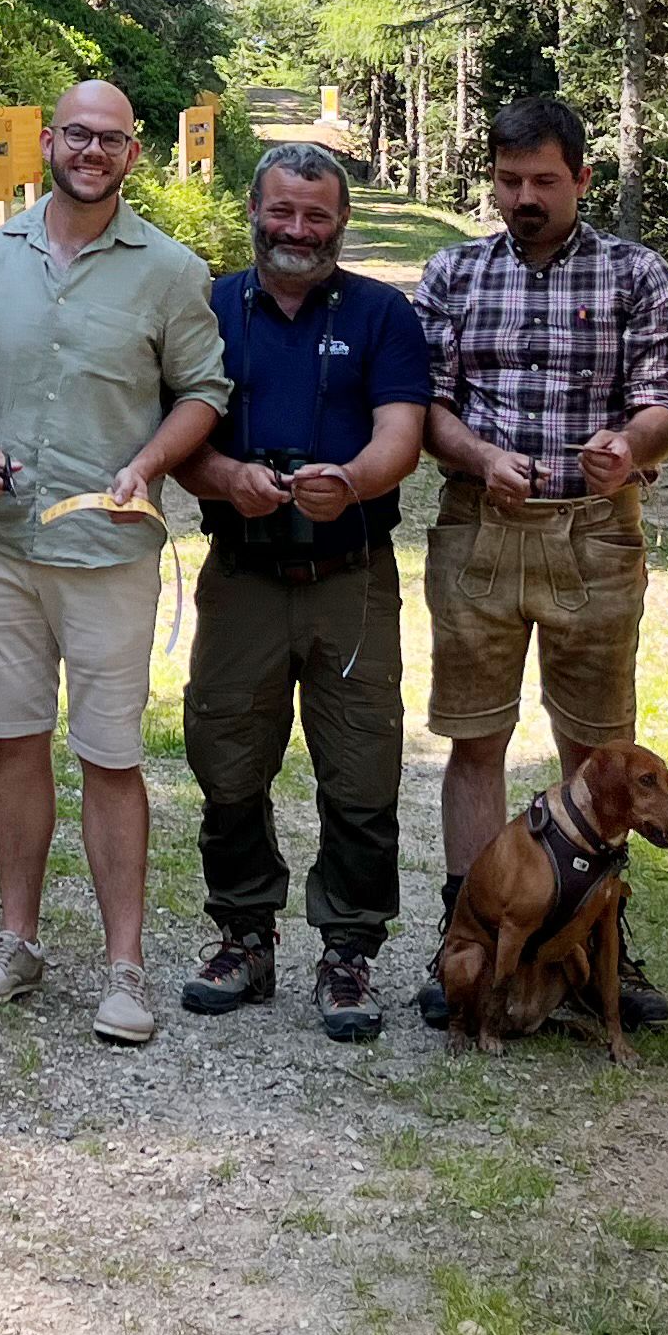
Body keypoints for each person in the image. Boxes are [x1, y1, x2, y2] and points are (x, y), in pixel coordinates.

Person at [0, 79, 231, 1046]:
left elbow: (202, 392)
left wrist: (148, 464)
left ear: (133, 154)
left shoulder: (172, 271)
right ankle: (17, 942)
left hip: (109, 549)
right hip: (2, 544)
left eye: (110, 139)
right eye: (76, 134)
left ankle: (125, 968)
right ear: (50, 141)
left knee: (110, 754)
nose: (91, 151)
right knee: (13, 740)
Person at [411, 93, 668, 1030]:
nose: (522, 197)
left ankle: (597, 937)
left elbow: (663, 404)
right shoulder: (453, 272)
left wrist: (629, 445)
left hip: (594, 533)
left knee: (599, 751)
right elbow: (428, 407)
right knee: (475, 738)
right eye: (507, 180)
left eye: (542, 180)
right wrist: (481, 457)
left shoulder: (637, 274)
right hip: (479, 528)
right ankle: (467, 936)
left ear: (581, 177)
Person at [173, 143, 432, 1042]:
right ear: (253, 208)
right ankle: (244, 932)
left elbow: (403, 430)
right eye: (282, 211)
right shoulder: (206, 305)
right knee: (226, 754)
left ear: (341, 222)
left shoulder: (382, 312)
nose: (297, 231)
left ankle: (349, 950)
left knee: (362, 767)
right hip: (241, 570)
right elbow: (172, 429)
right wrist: (221, 476)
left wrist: (353, 481)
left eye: (316, 215)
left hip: (350, 576)